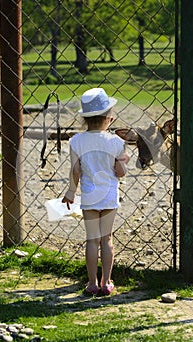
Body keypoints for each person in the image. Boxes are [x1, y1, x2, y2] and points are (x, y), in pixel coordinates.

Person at [62, 88, 130, 295]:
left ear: (85, 119)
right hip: (109, 196)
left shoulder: (76, 141)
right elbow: (120, 173)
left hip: (90, 197)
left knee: (92, 240)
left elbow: (75, 170)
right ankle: (106, 281)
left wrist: (71, 192)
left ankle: (91, 283)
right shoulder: (117, 142)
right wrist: (122, 162)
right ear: (109, 118)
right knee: (106, 238)